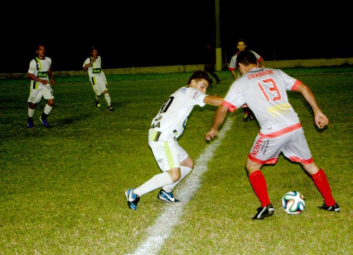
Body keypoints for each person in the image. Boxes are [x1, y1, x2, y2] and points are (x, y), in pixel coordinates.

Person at [206, 50, 340, 220]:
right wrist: (317, 112)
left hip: (273, 131)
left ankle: (266, 206)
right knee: (310, 165)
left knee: (252, 166)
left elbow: (223, 107)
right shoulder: (275, 72)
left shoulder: (241, 82)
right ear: (256, 62)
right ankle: (331, 203)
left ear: (240, 65)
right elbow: (303, 87)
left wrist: (214, 129)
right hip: (294, 125)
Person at [125, 70, 224, 210]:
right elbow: (209, 100)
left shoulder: (183, 92)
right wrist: (233, 101)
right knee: (174, 174)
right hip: (163, 137)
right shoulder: (190, 91)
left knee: (187, 164)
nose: (204, 90)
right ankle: (135, 193)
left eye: (206, 87)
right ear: (193, 82)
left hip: (164, 135)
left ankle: (166, 192)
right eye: (202, 86)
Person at [229, 38, 264, 122]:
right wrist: (235, 77)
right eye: (239, 45)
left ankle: (251, 112)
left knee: (254, 95)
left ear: (245, 46)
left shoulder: (251, 53)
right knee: (244, 96)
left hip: (254, 78)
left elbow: (260, 59)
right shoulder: (235, 57)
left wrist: (262, 67)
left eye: (242, 45)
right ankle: (247, 112)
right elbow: (231, 68)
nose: (241, 46)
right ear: (237, 47)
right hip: (242, 80)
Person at [27, 44, 55, 128]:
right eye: (40, 49)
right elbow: (30, 75)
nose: (42, 51)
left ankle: (43, 117)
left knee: (51, 102)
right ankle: (30, 119)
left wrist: (51, 78)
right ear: (37, 51)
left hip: (45, 84)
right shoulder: (33, 62)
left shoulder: (49, 60)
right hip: (36, 85)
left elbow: (49, 69)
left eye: (43, 49)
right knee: (33, 104)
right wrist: (41, 80)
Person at [83, 46, 114, 111]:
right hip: (94, 78)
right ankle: (97, 99)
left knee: (106, 91)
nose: (95, 53)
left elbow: (99, 66)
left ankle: (109, 106)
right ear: (91, 53)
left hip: (101, 77)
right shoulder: (88, 59)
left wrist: (101, 70)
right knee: (98, 93)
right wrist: (91, 62)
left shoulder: (99, 58)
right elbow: (84, 67)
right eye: (94, 52)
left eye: (96, 52)